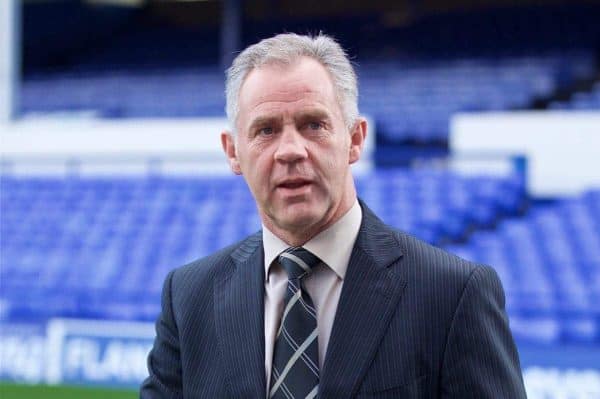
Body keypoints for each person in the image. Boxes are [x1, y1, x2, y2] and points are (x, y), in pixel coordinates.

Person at [140, 33, 527, 398]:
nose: (290, 150)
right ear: (233, 152)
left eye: (313, 124)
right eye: (266, 130)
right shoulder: (188, 297)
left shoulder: (453, 295)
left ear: (355, 139)